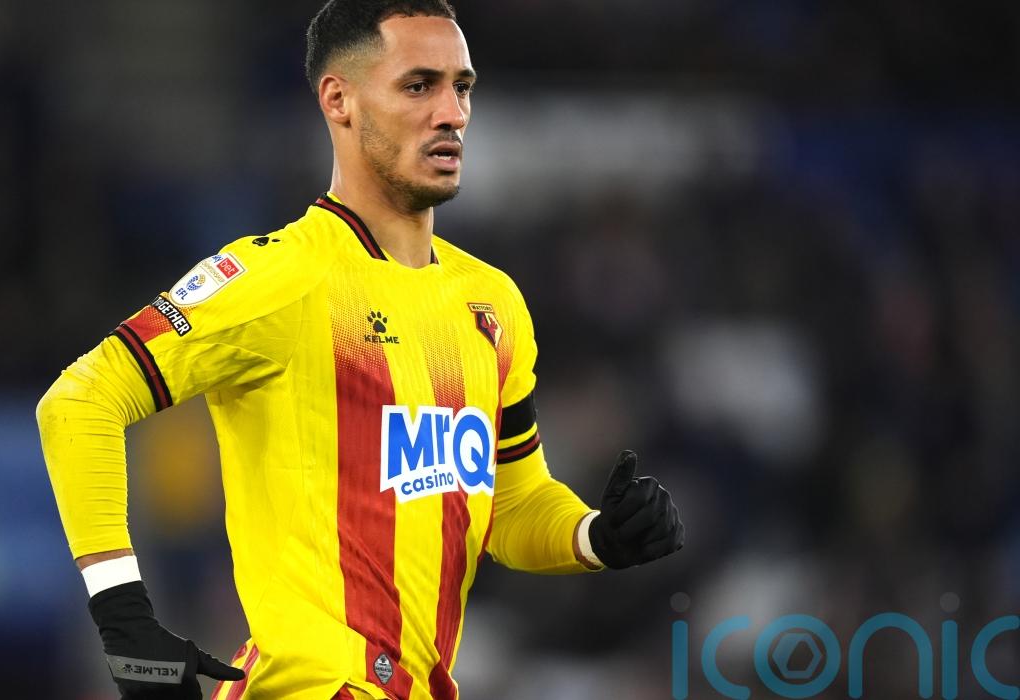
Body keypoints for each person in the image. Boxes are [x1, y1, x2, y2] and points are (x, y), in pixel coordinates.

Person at [35, 1, 685, 698]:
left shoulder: (491, 302)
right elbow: (79, 400)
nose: (451, 113)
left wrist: (594, 537)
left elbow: (511, 501)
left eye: (461, 88)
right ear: (338, 100)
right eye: (418, 85)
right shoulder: (282, 277)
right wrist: (123, 614)